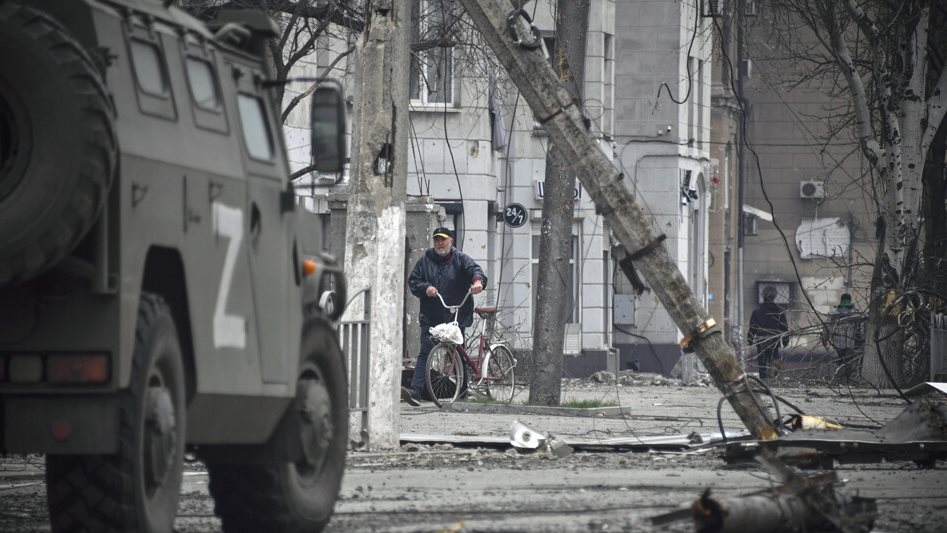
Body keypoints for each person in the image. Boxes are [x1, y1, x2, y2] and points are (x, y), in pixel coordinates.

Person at [402, 227, 486, 406]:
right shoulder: (425, 261)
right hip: (431, 315)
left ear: (451, 241)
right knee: (426, 351)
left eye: (443, 239)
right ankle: (415, 392)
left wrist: (478, 282)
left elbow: (475, 271)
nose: (439, 243)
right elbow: (413, 281)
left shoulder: (461, 259)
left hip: (456, 313)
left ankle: (462, 391)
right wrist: (426, 288)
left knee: (458, 350)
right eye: (436, 240)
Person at [747, 286, 789, 380]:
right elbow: (784, 328)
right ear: (775, 296)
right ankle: (773, 379)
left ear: (763, 296)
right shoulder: (779, 311)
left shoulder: (757, 311)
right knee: (773, 360)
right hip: (774, 340)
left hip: (761, 340)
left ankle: (763, 379)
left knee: (762, 361)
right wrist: (785, 340)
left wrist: (750, 339)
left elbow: (753, 327)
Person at [821, 293, 864, 380]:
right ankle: (844, 379)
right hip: (850, 341)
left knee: (841, 360)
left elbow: (827, 327)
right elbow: (861, 328)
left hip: (837, 341)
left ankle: (840, 378)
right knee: (848, 361)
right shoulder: (855, 312)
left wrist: (824, 338)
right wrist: (861, 339)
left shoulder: (833, 313)